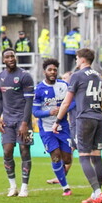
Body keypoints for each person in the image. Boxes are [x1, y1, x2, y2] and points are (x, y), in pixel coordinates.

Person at [54, 48, 102, 203]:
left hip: (84, 118)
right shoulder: (99, 76)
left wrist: (57, 120)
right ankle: (95, 194)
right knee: (97, 157)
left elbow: (66, 102)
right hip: (99, 118)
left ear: (83, 59)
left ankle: (97, 193)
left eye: (77, 58)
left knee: (84, 157)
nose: (76, 61)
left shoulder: (77, 76)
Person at [0, 49, 35, 197]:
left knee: (24, 150)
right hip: (7, 121)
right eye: (7, 57)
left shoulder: (25, 76)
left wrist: (25, 123)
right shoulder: (0, 77)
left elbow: (29, 102)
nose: (10, 58)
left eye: (12, 56)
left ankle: (24, 187)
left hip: (23, 120)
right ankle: (12, 186)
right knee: (7, 151)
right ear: (3, 60)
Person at [34, 58, 73, 195]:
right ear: (44, 72)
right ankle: (65, 187)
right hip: (47, 129)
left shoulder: (64, 85)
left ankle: (60, 174)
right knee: (55, 156)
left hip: (63, 127)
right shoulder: (39, 89)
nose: (52, 72)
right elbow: (35, 112)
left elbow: (73, 102)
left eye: (55, 70)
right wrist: (49, 112)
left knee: (67, 159)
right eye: (50, 70)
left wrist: (63, 110)